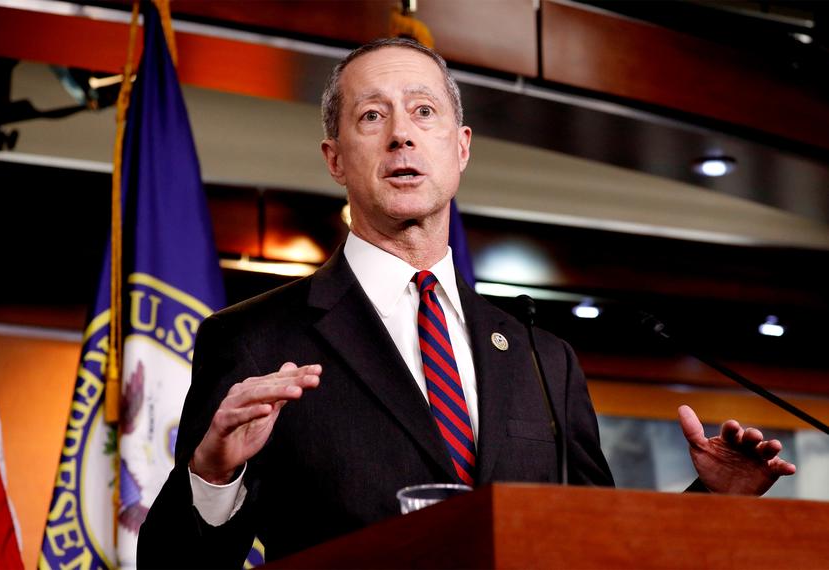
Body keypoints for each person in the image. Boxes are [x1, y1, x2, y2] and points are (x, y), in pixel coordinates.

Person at [138, 38, 796, 568]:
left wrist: (713, 501)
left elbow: (597, 552)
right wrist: (212, 473)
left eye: (424, 112)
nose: (401, 135)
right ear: (335, 159)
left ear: (461, 148)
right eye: (372, 116)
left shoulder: (544, 359)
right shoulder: (255, 340)